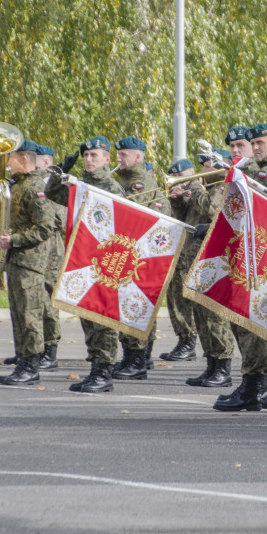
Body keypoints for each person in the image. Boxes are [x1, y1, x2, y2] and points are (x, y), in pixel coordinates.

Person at [214, 122, 267, 411]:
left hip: (264, 257)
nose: (256, 147)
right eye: (254, 143)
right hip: (262, 255)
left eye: (261, 142)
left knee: (255, 322)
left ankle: (253, 387)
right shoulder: (261, 170)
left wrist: (238, 173)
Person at [45, 136, 124, 393]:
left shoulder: (112, 187)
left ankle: (105, 370)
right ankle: (96, 368)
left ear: (107, 159)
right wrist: (61, 172)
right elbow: (51, 195)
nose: (89, 160)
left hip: (104, 262)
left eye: (95, 155)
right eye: (86, 156)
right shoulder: (78, 185)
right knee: (88, 317)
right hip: (82, 260)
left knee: (103, 318)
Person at [0, 140, 56, 385]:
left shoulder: (34, 188)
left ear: (23, 160)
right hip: (17, 260)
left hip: (30, 262)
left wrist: (15, 240)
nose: (7, 164)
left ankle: (32, 364)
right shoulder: (19, 186)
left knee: (30, 315)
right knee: (19, 313)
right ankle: (23, 360)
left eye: (10, 159)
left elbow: (45, 228)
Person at [112, 135, 170, 380]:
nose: (118, 159)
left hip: (139, 257)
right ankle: (133, 357)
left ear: (138, 157)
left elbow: (128, 218)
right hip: (132, 255)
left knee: (134, 307)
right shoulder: (127, 181)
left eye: (123, 154)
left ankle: (137, 361)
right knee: (129, 307)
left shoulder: (139, 184)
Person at [183, 149, 238, 388]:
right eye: (204, 166)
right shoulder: (207, 189)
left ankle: (223, 368)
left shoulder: (224, 187)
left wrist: (195, 188)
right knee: (201, 316)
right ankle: (211, 364)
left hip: (215, 260)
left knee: (215, 316)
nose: (204, 171)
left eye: (208, 166)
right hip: (197, 257)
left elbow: (210, 209)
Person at [162, 157, 201, 362]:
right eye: (175, 177)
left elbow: (208, 212)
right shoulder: (190, 194)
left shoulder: (201, 190)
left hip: (194, 253)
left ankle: (189, 341)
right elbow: (182, 217)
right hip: (183, 249)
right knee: (175, 296)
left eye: (181, 176)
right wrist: (177, 200)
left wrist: (193, 188)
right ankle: (183, 339)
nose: (178, 180)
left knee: (185, 299)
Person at [33, 144, 64, 369]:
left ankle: (50, 349)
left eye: (32, 159)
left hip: (51, 249)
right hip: (32, 248)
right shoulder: (27, 183)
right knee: (31, 300)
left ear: (45, 163)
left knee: (48, 300)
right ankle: (31, 347)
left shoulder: (55, 187)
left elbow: (60, 220)